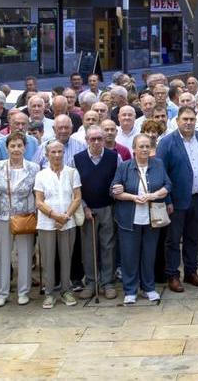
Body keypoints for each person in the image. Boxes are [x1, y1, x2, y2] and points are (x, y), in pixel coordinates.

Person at [110, 129, 172, 305]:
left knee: (149, 255)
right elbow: (113, 190)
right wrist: (132, 197)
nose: (144, 149)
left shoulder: (158, 164)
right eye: (141, 146)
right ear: (134, 149)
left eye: (147, 146)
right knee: (129, 255)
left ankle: (148, 288)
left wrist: (153, 195)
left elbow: (168, 185)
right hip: (129, 219)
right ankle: (130, 290)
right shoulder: (124, 167)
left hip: (152, 218)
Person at [157, 106, 198, 292]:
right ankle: (172, 275)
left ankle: (190, 272)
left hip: (197, 198)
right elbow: (161, 173)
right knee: (173, 240)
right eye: (185, 119)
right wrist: (167, 200)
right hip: (175, 200)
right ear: (177, 121)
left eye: (192, 119)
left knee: (192, 238)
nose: (188, 122)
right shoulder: (167, 142)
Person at [0, 132, 40, 307]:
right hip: (3, 216)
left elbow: (37, 192)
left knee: (25, 254)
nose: (16, 149)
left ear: (25, 148)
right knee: (3, 254)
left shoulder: (34, 168)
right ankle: (2, 292)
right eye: (12, 146)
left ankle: (23, 292)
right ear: (7, 148)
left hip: (25, 216)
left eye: (19, 145)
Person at [34, 140, 82, 308]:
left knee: (66, 258)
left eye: (60, 151)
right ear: (47, 155)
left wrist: (66, 216)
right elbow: (39, 201)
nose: (57, 155)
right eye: (53, 152)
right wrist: (55, 216)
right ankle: (49, 293)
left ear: (64, 153)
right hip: (47, 223)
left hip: (68, 222)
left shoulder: (72, 172)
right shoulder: (41, 175)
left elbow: (77, 197)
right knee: (48, 259)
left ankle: (66, 290)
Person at [74, 126, 118, 300]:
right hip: (87, 210)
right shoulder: (77, 159)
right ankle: (91, 283)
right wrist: (84, 206)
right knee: (88, 248)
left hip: (108, 207)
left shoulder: (114, 157)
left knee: (108, 246)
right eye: (93, 139)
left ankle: (108, 283)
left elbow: (118, 180)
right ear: (86, 140)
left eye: (100, 138)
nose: (97, 142)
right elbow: (75, 187)